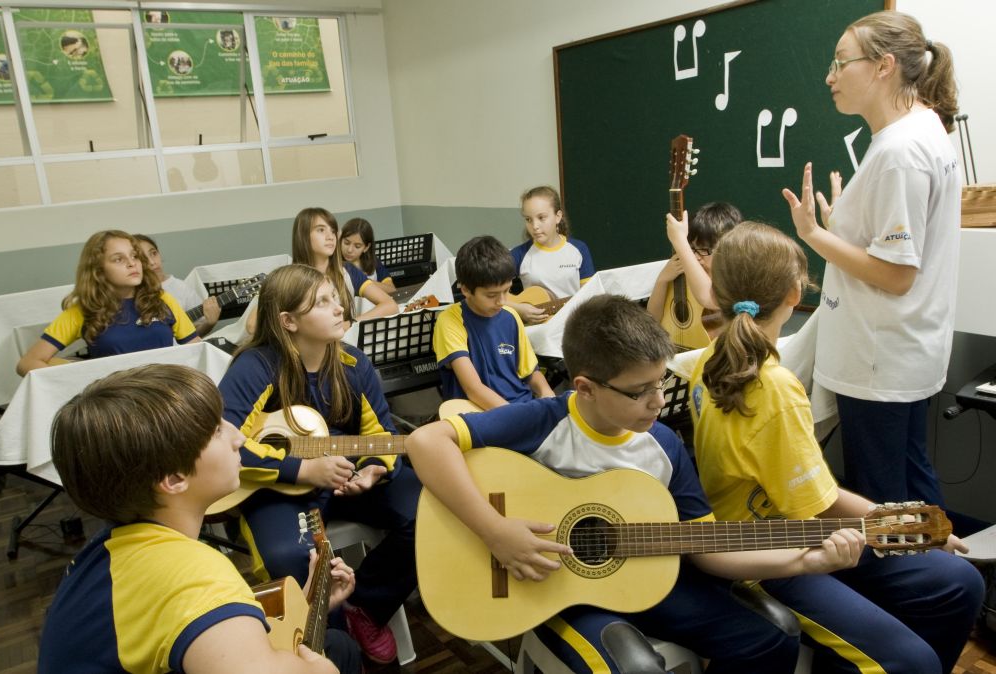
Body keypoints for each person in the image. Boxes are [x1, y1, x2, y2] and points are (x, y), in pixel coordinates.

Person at [408, 294, 866, 673]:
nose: (658, 401)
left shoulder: (663, 445)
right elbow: (427, 442)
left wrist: (808, 560)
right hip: (551, 588)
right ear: (585, 387)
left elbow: (706, 547)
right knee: (637, 669)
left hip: (646, 582)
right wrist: (495, 529)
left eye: (661, 383)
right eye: (639, 391)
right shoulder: (544, 420)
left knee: (770, 640)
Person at [689, 222, 984, 674]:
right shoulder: (771, 385)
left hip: (799, 528)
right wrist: (915, 526)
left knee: (959, 582)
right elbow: (824, 509)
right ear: (794, 294)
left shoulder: (711, 359)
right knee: (914, 659)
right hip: (767, 556)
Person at [38, 363, 351, 674]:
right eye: (216, 430)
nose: (238, 436)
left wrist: (309, 606)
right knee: (340, 653)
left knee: (338, 644)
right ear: (174, 479)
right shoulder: (193, 574)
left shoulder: (108, 548)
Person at [782, 11, 961, 505]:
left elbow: (897, 274)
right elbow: (894, 244)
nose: (830, 77)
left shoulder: (899, 151)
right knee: (911, 482)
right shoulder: (923, 127)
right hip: (902, 352)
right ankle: (944, 577)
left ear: (883, 66)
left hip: (880, 359)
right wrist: (848, 223)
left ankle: (918, 582)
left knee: (882, 504)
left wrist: (814, 234)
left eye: (841, 63)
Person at [219, 264, 419, 665]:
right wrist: (302, 470)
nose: (339, 307)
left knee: (428, 511)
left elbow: (380, 433)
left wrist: (374, 469)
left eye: (335, 297)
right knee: (290, 557)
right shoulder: (255, 367)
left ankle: (366, 607)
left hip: (343, 482)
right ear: (288, 321)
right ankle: (321, 647)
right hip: (276, 489)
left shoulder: (354, 365)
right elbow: (220, 444)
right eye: (322, 302)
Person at [17, 230, 198, 375]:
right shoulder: (84, 310)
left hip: (169, 393)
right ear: (98, 270)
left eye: (134, 256)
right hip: (116, 403)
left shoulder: (161, 299)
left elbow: (195, 346)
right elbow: (27, 363)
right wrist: (77, 381)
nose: (131, 264)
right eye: (118, 259)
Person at [433, 235, 555, 409]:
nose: (502, 301)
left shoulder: (511, 316)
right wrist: (516, 417)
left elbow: (530, 373)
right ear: (466, 289)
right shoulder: (450, 321)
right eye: (491, 295)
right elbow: (473, 389)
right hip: (480, 415)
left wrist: (546, 393)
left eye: (507, 290)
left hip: (520, 407)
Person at [245, 208, 398, 334]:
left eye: (333, 231)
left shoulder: (347, 271)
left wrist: (350, 323)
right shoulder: (287, 278)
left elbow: (389, 305)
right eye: (320, 230)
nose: (330, 237)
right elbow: (252, 325)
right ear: (303, 236)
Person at [646, 201, 742, 327]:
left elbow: (709, 298)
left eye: (704, 250)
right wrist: (662, 280)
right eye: (692, 248)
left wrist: (679, 242)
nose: (695, 257)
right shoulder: (681, 273)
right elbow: (652, 321)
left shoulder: (737, 281)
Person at [509, 186, 595, 325]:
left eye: (541, 217)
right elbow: (491, 295)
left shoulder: (579, 249)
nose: (535, 226)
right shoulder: (519, 254)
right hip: (535, 332)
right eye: (528, 219)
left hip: (572, 328)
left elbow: (590, 296)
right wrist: (519, 309)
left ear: (558, 216)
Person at [135, 233, 221, 337]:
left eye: (153, 253)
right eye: (143, 258)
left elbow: (193, 335)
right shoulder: (130, 293)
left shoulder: (182, 288)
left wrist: (209, 323)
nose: (152, 262)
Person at [340, 217, 396, 295]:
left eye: (357, 246)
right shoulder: (334, 264)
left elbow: (391, 289)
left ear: (366, 247)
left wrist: (362, 281)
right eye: (346, 243)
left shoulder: (374, 262)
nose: (350, 250)